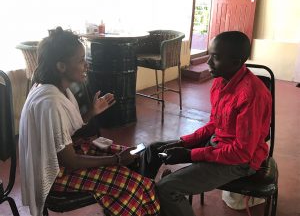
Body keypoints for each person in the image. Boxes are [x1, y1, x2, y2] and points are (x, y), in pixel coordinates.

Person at [18, 27, 160, 216]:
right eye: (80, 60)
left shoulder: (56, 87)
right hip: (54, 175)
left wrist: (91, 112)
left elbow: (64, 132)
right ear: (61, 66)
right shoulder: (50, 102)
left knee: (133, 158)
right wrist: (116, 160)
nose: (86, 65)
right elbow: (71, 162)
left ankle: (131, 206)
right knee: (135, 183)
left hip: (63, 159)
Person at [139, 31, 272, 216]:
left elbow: (241, 152)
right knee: (153, 150)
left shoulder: (252, 95)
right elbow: (214, 125)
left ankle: (162, 200)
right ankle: (142, 203)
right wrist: (183, 142)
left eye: (215, 57)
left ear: (237, 61)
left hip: (240, 161)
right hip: (219, 144)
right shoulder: (219, 82)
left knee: (168, 188)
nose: (208, 62)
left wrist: (190, 154)